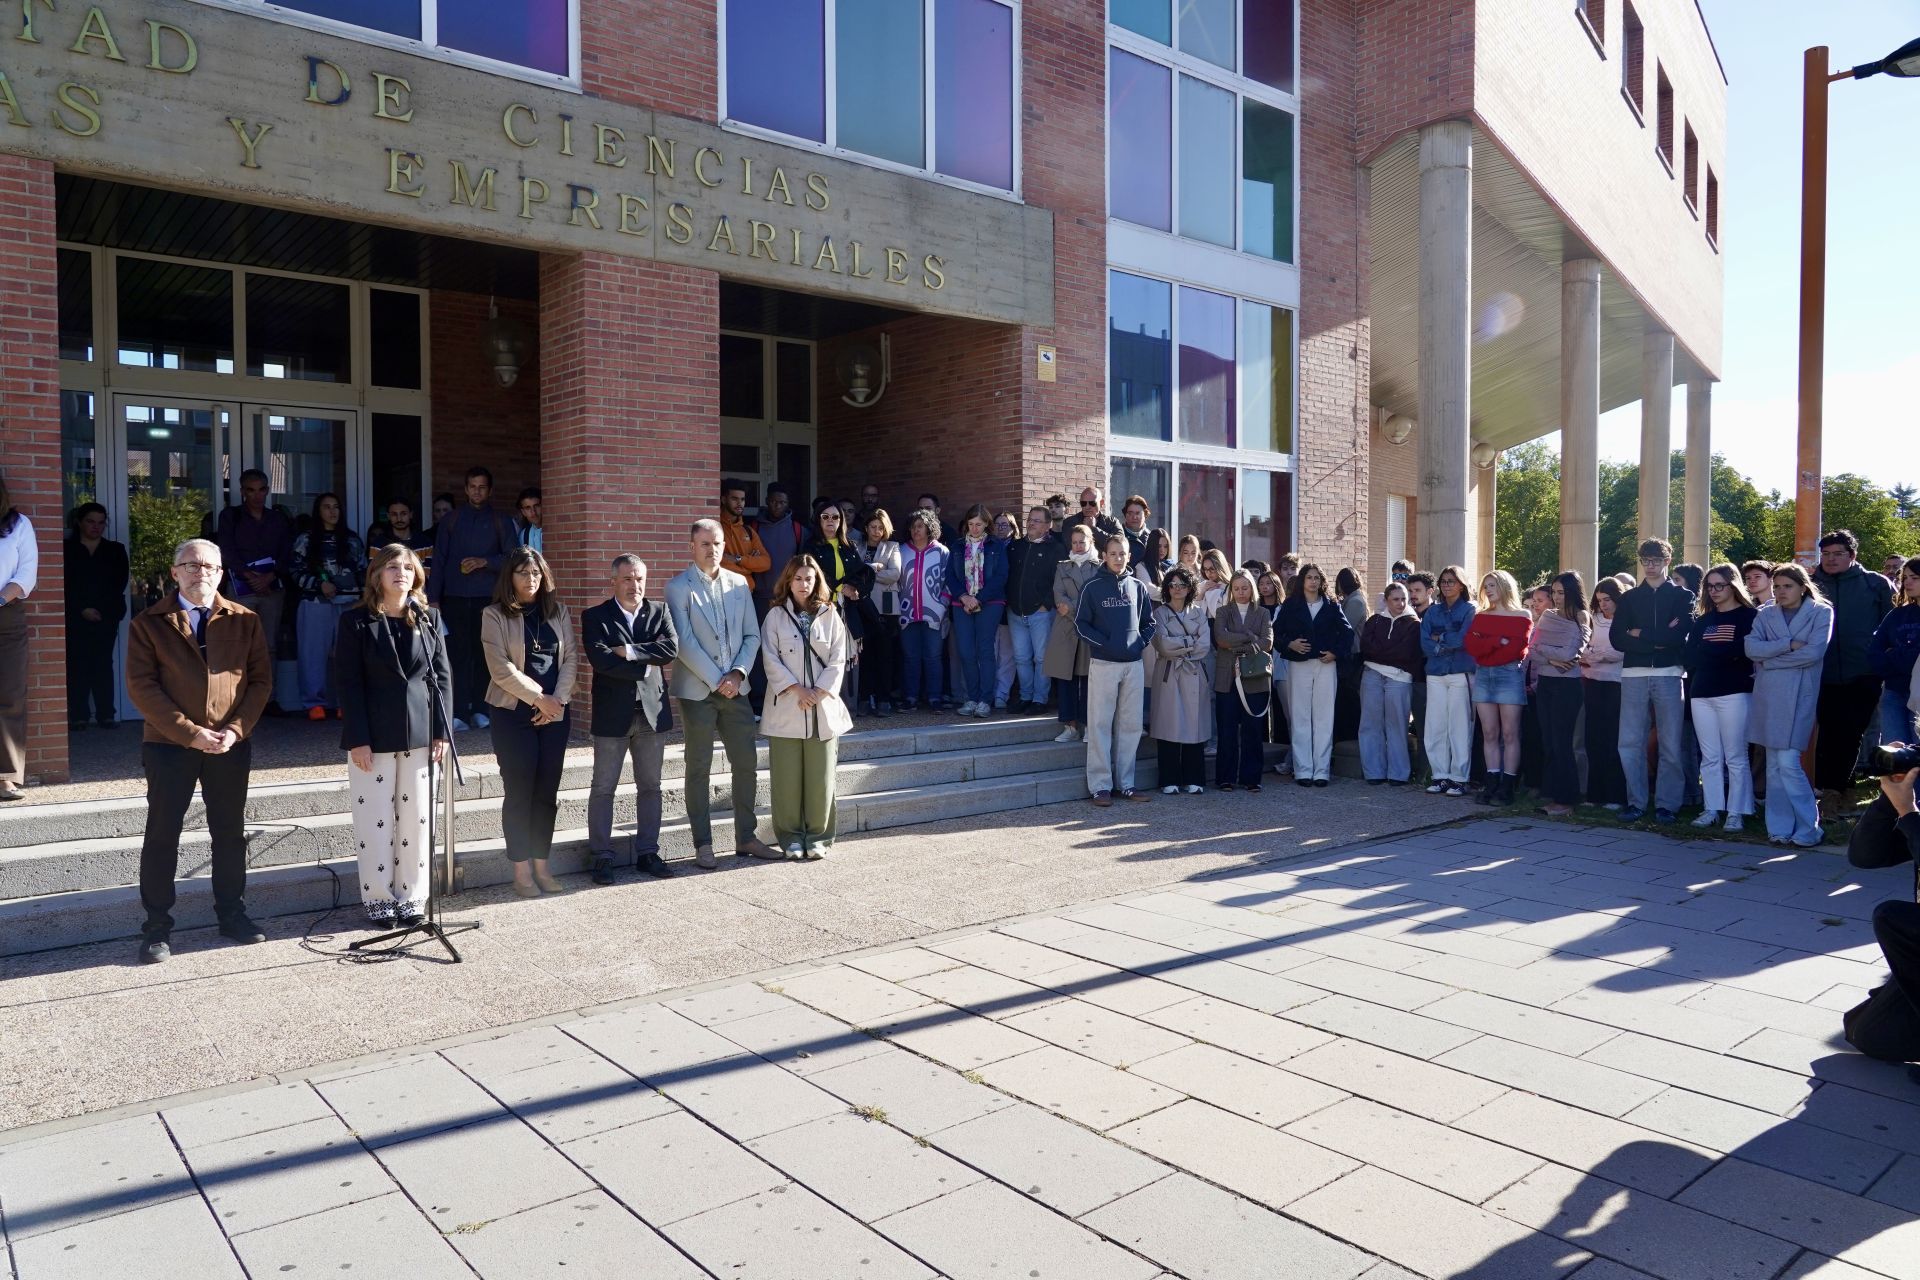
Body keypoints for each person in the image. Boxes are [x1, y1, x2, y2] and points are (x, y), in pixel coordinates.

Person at [125, 538, 272, 960]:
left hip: (229, 744)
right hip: (169, 745)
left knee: (229, 833)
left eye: (209, 566)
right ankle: (156, 928)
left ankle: (232, 915)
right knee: (162, 835)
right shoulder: (149, 623)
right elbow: (142, 687)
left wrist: (236, 730)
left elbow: (260, 681)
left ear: (221, 574)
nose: (200, 572)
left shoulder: (245, 620)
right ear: (174, 572)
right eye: (190, 565)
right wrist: (190, 733)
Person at [333, 544, 451, 925]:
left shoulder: (429, 617)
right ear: (377, 575)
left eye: (407, 567)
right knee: (376, 819)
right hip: (373, 735)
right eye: (392, 567)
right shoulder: (355, 621)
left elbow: (442, 678)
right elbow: (348, 684)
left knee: (416, 819)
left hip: (420, 735)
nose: (400, 572)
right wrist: (357, 738)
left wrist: (441, 733)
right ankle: (380, 899)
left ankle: (413, 897)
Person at [666, 519, 782, 866]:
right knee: (698, 767)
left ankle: (746, 837)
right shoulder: (677, 587)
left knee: (746, 763)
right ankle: (703, 843)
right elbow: (682, 643)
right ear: (692, 547)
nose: (712, 549)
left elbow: (751, 635)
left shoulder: (738, 584)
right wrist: (719, 678)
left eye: (717, 543)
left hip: (737, 687)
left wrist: (737, 673)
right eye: (704, 544)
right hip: (698, 690)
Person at [480, 547, 577, 896]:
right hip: (512, 714)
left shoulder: (558, 611)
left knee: (546, 793)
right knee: (520, 792)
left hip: (555, 714)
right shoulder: (493, 615)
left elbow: (570, 661)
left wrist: (556, 702)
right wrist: (540, 698)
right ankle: (521, 872)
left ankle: (543, 866)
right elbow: (500, 668)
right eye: (522, 573)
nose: (530, 579)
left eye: (536, 573)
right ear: (510, 576)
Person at [583, 555, 679, 884]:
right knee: (603, 788)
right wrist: (647, 662)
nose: (634, 585)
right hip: (613, 715)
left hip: (651, 713)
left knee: (651, 787)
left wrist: (631, 651)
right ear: (614, 581)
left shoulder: (659, 611)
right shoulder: (595, 616)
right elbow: (602, 661)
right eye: (627, 579)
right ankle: (602, 858)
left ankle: (648, 853)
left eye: (639, 579)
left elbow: (671, 649)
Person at [760, 556, 852, 858]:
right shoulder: (775, 616)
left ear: (817, 582)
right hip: (787, 707)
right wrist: (796, 689)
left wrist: (819, 692)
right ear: (788, 580)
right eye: (798, 578)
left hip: (822, 709)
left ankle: (818, 838)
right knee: (786, 779)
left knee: (821, 779)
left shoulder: (830, 615)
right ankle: (790, 839)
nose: (803, 584)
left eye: (809, 579)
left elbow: (839, 658)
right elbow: (770, 658)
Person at [1747, 564, 1833, 847]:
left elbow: (1814, 652)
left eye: (1788, 586)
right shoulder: (1765, 614)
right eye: (1777, 586)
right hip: (1769, 695)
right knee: (1773, 765)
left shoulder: (1821, 612)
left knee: (1788, 762)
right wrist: (1787, 644)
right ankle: (1780, 828)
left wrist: (1770, 660)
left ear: (1803, 586)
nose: (1781, 591)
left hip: (1800, 695)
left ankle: (1810, 827)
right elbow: (1751, 649)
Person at [428, 466, 519, 731]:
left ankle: (481, 709)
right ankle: (456, 712)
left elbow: (514, 559)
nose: (477, 491)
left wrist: (485, 562)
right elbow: (440, 561)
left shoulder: (501, 521)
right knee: (456, 656)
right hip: (454, 597)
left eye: (482, 487)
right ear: (466, 489)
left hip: (489, 599)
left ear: (489, 490)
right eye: (472, 486)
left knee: (485, 655)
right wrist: (433, 599)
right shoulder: (451, 521)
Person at [1613, 538, 1696, 823]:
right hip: (1633, 674)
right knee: (1629, 742)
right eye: (1645, 560)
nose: (1650, 566)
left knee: (1670, 744)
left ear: (1667, 561)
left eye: (1656, 561)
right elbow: (1617, 638)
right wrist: (1657, 639)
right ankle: (1636, 802)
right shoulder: (1629, 598)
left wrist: (1640, 634)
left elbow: (1679, 636)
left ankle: (1667, 805)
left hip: (1670, 674)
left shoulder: (1683, 596)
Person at [1815, 529, 1894, 813]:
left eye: (1838, 554)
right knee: (1827, 733)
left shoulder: (1875, 583)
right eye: (1825, 554)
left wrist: (1883, 660)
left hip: (1864, 672)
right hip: (1820, 674)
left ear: (1853, 556)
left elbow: (1892, 624)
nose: (1831, 559)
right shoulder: (1812, 583)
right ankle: (1838, 789)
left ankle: (1835, 792)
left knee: (1851, 732)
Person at [1076, 533, 1156, 806]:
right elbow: (1081, 625)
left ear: (1129, 556)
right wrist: (1106, 644)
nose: (1118, 558)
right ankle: (1100, 787)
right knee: (1099, 725)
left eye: (1122, 554)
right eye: (1113, 554)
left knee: (1131, 726)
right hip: (1104, 664)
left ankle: (1127, 784)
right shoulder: (1093, 587)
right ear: (1105, 555)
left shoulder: (1138, 587)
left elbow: (1149, 623)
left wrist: (1137, 645)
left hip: (1133, 665)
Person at [1684, 563, 1758, 832]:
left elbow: (1747, 650)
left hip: (1735, 693)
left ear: (1733, 585)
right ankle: (1712, 808)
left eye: (1719, 585)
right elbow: (1690, 656)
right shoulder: (1703, 620)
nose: (1714, 591)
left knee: (1736, 756)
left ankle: (1737, 811)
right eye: (1710, 586)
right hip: (1701, 692)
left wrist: (1713, 651)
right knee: (1710, 757)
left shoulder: (1750, 617)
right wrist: (1726, 652)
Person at [290, 493, 366, 722]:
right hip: (316, 603)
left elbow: (363, 571)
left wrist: (364, 597)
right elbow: (294, 570)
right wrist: (318, 584)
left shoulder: (352, 540)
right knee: (312, 653)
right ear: (318, 510)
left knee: (348, 654)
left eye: (336, 507)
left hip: (349, 603)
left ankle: (345, 703)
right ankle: (315, 704)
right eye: (326, 507)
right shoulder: (306, 538)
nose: (332, 512)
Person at [1276, 562, 1352, 787]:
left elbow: (1347, 634)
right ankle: (1303, 770)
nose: (1313, 581)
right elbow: (1276, 633)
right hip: (1299, 665)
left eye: (1317, 577)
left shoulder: (1331, 605)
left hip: (1324, 664)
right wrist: (1290, 644)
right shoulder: (1291, 605)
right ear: (1302, 580)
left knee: (1323, 717)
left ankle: (1321, 771)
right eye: (1309, 577)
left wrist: (1335, 653)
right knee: (1300, 717)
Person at [1463, 570, 1531, 806]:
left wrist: (1487, 642)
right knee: (1489, 732)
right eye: (1485, 587)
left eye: (1492, 585)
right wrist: (1497, 641)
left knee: (1510, 733)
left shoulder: (1523, 615)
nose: (1488, 590)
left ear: (1504, 586)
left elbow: (1515, 650)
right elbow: (1472, 646)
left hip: (1509, 675)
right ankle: (1491, 782)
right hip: (1483, 674)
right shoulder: (1480, 616)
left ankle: (1507, 786)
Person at [214, 468, 293, 668]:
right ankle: (241, 695)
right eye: (251, 490)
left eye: (261, 490)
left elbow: (287, 552)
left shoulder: (277, 519)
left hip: (272, 587)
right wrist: (251, 577)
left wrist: (269, 577)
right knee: (240, 643)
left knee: (269, 645)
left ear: (267, 490)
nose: (257, 495)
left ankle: (268, 695)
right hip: (240, 586)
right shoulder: (231, 516)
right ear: (242, 491)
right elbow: (226, 550)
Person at [1531, 572, 1592, 816]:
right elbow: (1532, 650)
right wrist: (1553, 656)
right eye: (1554, 592)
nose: (1556, 597)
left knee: (1562, 742)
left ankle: (1566, 800)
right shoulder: (1547, 615)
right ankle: (1554, 793)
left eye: (1561, 592)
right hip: (1545, 683)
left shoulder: (1581, 616)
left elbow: (1570, 654)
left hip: (1568, 686)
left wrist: (1551, 655)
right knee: (1549, 742)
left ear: (1573, 592)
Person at [64, 502, 128, 731]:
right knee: (77, 663)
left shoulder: (115, 550)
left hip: (106, 615)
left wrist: (101, 611)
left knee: (102, 663)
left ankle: (106, 714)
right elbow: (64, 584)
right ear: (79, 522)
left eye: (101, 522)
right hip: (74, 615)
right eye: (91, 521)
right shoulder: (66, 550)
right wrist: (81, 608)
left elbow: (118, 583)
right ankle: (78, 715)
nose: (96, 527)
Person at [1212, 569, 1275, 792]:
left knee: (1252, 730)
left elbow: (1267, 642)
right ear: (1231, 590)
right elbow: (1221, 639)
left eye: (1245, 588)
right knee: (1227, 730)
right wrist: (1250, 638)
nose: (1241, 592)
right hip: (1227, 677)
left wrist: (1239, 642)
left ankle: (1251, 778)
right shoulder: (1222, 612)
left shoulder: (1263, 613)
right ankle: (1225, 777)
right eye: (1236, 588)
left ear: (1252, 588)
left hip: (1254, 677)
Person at [944, 504, 1008, 718]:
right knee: (966, 651)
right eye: (971, 524)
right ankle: (971, 698)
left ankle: (984, 700)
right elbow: (950, 576)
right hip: (961, 603)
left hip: (989, 603)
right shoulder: (957, 545)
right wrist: (964, 597)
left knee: (985, 651)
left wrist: (978, 598)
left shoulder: (996, 545)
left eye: (978, 524)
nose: (974, 528)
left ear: (987, 524)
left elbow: (1000, 577)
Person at [1149, 567, 1210, 794]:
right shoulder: (1159, 614)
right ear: (1166, 588)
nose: (1177, 589)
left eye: (1182, 585)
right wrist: (1189, 641)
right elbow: (1162, 645)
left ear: (1190, 588)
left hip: (1193, 672)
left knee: (1194, 727)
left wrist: (1179, 644)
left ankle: (1194, 778)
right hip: (1169, 674)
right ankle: (1169, 779)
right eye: (1173, 585)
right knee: (1168, 725)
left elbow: (1204, 646)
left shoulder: (1199, 613)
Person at [1358, 580, 1423, 785]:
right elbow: (1366, 647)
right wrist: (1387, 652)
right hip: (1372, 674)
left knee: (1397, 725)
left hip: (1400, 677)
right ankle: (1374, 772)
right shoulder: (1375, 621)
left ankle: (1398, 774)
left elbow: (1406, 653)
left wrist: (1382, 652)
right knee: (1370, 724)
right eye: (1395, 599)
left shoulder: (1414, 623)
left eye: (1404, 599)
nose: (1401, 603)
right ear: (1386, 600)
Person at [1420, 565, 1477, 797]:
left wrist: (1439, 638)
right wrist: (1444, 643)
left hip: (1459, 673)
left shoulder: (1469, 610)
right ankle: (1440, 775)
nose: (1446, 585)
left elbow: (1463, 639)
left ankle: (1459, 778)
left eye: (1451, 581)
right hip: (1435, 673)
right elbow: (1424, 642)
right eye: (1443, 581)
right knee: (1435, 727)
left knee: (1459, 727)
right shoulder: (1432, 612)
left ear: (1461, 585)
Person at [1008, 505, 1064, 713]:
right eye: (1030, 519)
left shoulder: (1056, 549)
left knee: (1041, 659)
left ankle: (1040, 700)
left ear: (1048, 525)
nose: (1031, 523)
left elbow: (1059, 580)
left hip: (1041, 613)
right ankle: (1025, 697)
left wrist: (1046, 604)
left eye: (1037, 520)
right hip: (1015, 612)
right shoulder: (1016, 547)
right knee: (1021, 658)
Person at [1045, 524, 1098, 743]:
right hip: (1065, 629)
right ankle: (1069, 726)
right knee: (1066, 679)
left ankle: (1087, 726)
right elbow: (1058, 594)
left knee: (1087, 681)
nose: (1077, 546)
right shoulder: (1062, 567)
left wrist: (1073, 607)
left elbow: (1094, 598)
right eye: (1074, 542)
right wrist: (1067, 606)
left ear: (1090, 542)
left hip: (1088, 629)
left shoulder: (1099, 567)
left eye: (1081, 542)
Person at [1580, 578, 1628, 809]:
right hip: (1593, 682)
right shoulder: (1593, 620)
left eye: (1607, 600)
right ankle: (1594, 794)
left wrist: (1603, 654)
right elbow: (1584, 649)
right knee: (1594, 738)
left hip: (1617, 684)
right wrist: (1593, 654)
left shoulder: (1626, 620)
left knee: (1614, 739)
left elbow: (1624, 650)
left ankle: (1615, 795)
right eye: (1599, 601)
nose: (1603, 605)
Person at [897, 510, 950, 711]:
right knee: (910, 656)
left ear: (929, 528)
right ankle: (910, 697)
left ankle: (934, 697)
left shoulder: (942, 552)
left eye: (920, 526)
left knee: (933, 656)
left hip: (934, 614)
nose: (915, 530)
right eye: (912, 526)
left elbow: (949, 581)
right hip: (907, 613)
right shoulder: (901, 551)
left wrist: (942, 604)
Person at [857, 510, 903, 716]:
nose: (877, 531)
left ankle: (884, 699)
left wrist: (867, 571)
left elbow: (895, 574)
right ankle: (865, 698)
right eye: (873, 527)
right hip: (862, 607)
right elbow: (852, 573)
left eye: (881, 527)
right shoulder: (856, 546)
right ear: (866, 528)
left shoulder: (892, 547)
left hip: (886, 608)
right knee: (864, 655)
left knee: (885, 654)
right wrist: (873, 568)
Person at [1870, 557, 1920, 747]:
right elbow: (1874, 653)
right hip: (1893, 692)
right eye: (1905, 577)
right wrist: (1905, 656)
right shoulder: (1897, 614)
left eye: (1914, 577)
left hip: (1919, 693)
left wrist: (1894, 654)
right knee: (1897, 756)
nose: (1907, 582)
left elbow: (1915, 659)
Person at [753, 484, 807, 616]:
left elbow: (805, 563)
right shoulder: (754, 528)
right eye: (773, 502)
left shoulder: (798, 530)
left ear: (788, 504)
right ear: (766, 501)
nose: (777, 506)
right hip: (760, 597)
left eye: (782, 502)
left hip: (788, 596)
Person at [1257, 569, 1291, 775]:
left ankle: (1283, 747)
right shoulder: (1256, 608)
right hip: (1259, 662)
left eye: (1268, 583)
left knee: (1281, 706)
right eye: (1261, 583)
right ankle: (1262, 745)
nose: (1264, 587)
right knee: (1261, 704)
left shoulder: (1283, 609)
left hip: (1279, 662)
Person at [1333, 567, 1372, 742]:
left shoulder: (1355, 600)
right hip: (1351, 655)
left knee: (1348, 700)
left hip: (1352, 656)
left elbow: (1344, 627)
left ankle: (1348, 740)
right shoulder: (1353, 598)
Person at [718, 478, 773, 590]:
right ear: (723, 499)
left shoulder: (748, 531)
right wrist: (749, 568)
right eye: (734, 499)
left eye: (742, 499)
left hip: (747, 593)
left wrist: (738, 559)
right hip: (723, 592)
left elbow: (766, 562)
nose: (740, 503)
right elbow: (718, 562)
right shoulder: (715, 528)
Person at [990, 510, 1020, 708]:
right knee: (989, 652)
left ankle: (1002, 694)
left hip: (1010, 607)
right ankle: (988, 691)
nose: (1001, 528)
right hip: (989, 605)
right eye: (998, 524)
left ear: (1013, 528)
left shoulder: (1018, 548)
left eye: (1005, 524)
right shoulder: (987, 547)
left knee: (1007, 655)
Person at [1066, 485, 1124, 551]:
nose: (1087, 507)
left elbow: (1120, 545)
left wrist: (1094, 529)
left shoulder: (1112, 522)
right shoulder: (1070, 522)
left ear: (1101, 503)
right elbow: (1070, 547)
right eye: (1083, 503)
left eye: (1092, 503)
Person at [1119, 495, 1152, 570]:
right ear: (1125, 514)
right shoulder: (1118, 536)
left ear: (1145, 514)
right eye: (1130, 513)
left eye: (1137, 513)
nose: (1134, 517)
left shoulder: (1151, 537)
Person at [515, 487, 544, 552]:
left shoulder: (555, 530)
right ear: (523, 512)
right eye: (528, 508)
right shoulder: (524, 535)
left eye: (536, 506)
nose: (533, 512)